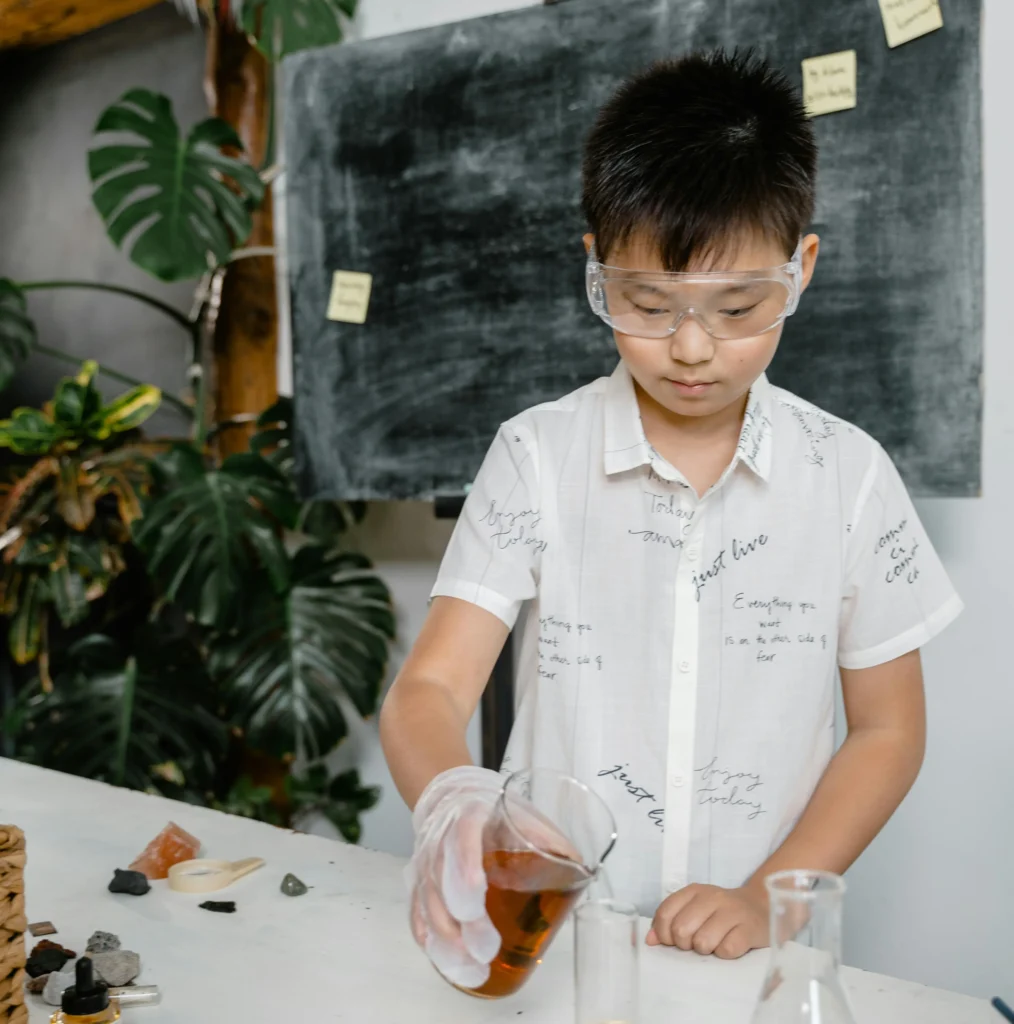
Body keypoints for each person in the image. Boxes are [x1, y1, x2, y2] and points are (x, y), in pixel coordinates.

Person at [380, 50, 962, 989]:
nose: (692, 348)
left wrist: (765, 892)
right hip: (564, 945)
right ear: (597, 268)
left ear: (801, 269)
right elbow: (430, 692)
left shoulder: (848, 477)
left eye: (739, 308)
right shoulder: (538, 457)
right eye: (647, 304)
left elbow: (889, 730)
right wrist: (454, 803)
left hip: (759, 962)